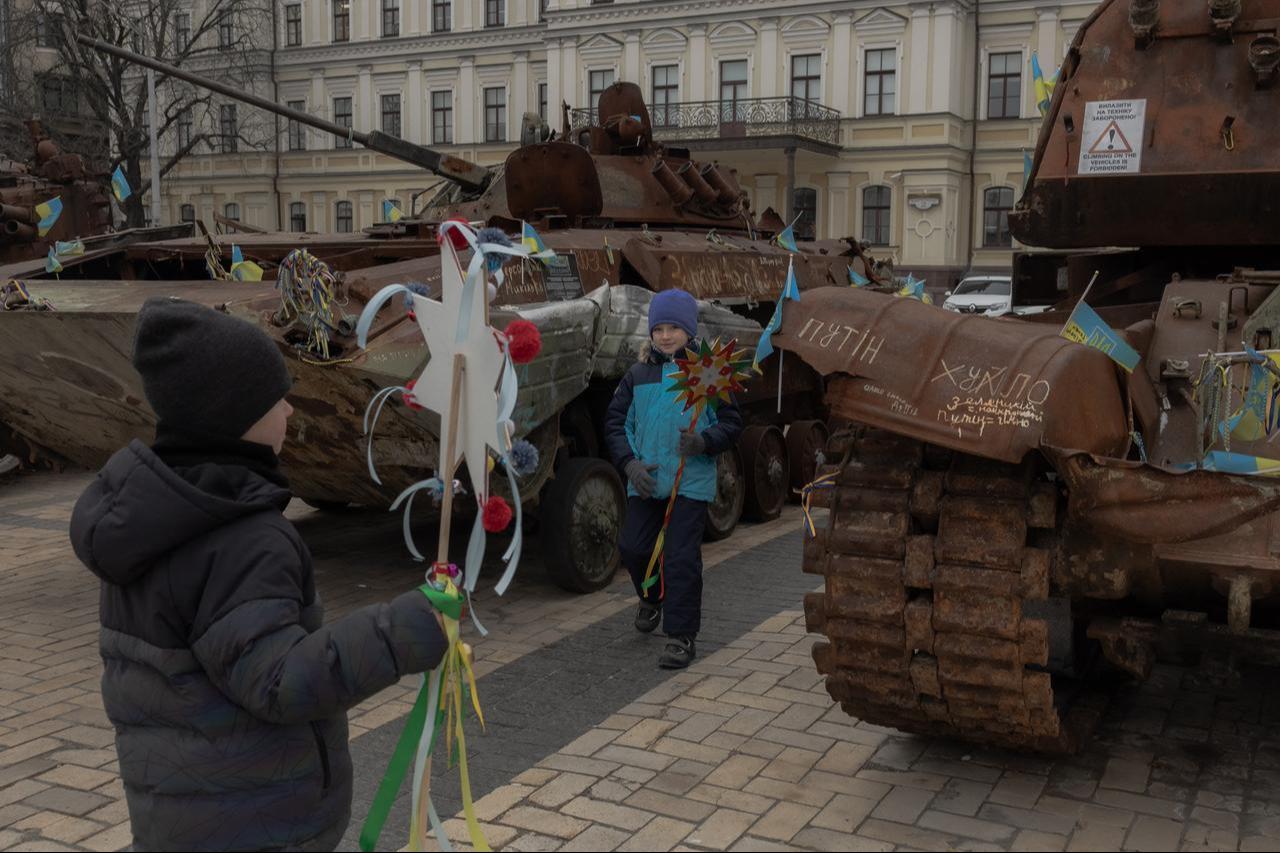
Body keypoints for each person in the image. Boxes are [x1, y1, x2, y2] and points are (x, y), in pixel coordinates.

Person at [69, 298, 448, 852]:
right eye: (277, 399)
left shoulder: (152, 514)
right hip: (263, 821)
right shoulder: (244, 538)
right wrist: (402, 630)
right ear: (234, 416)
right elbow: (280, 681)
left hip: (182, 818)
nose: (291, 412)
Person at [605, 288, 743, 669]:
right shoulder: (637, 375)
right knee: (633, 547)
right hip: (646, 481)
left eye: (674, 328)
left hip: (689, 483)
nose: (666, 336)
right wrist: (630, 464)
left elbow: (733, 422)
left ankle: (681, 636)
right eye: (659, 328)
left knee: (680, 559)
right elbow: (617, 424)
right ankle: (651, 597)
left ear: (689, 330)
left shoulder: (708, 373)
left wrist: (704, 442)